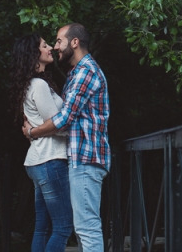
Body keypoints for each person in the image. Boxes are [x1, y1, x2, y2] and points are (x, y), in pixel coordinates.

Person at [24, 23, 110, 252]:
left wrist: (32, 132)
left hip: (86, 158)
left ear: (75, 42)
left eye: (59, 41)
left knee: (86, 227)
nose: (55, 46)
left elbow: (64, 119)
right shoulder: (75, 73)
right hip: (80, 158)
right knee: (82, 228)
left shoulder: (85, 72)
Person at [10, 32, 73, 252]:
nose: (50, 48)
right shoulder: (38, 85)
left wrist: (32, 132)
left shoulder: (30, 84)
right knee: (63, 227)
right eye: (44, 45)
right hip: (50, 161)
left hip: (38, 162)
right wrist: (74, 131)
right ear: (33, 53)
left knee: (42, 228)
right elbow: (57, 125)